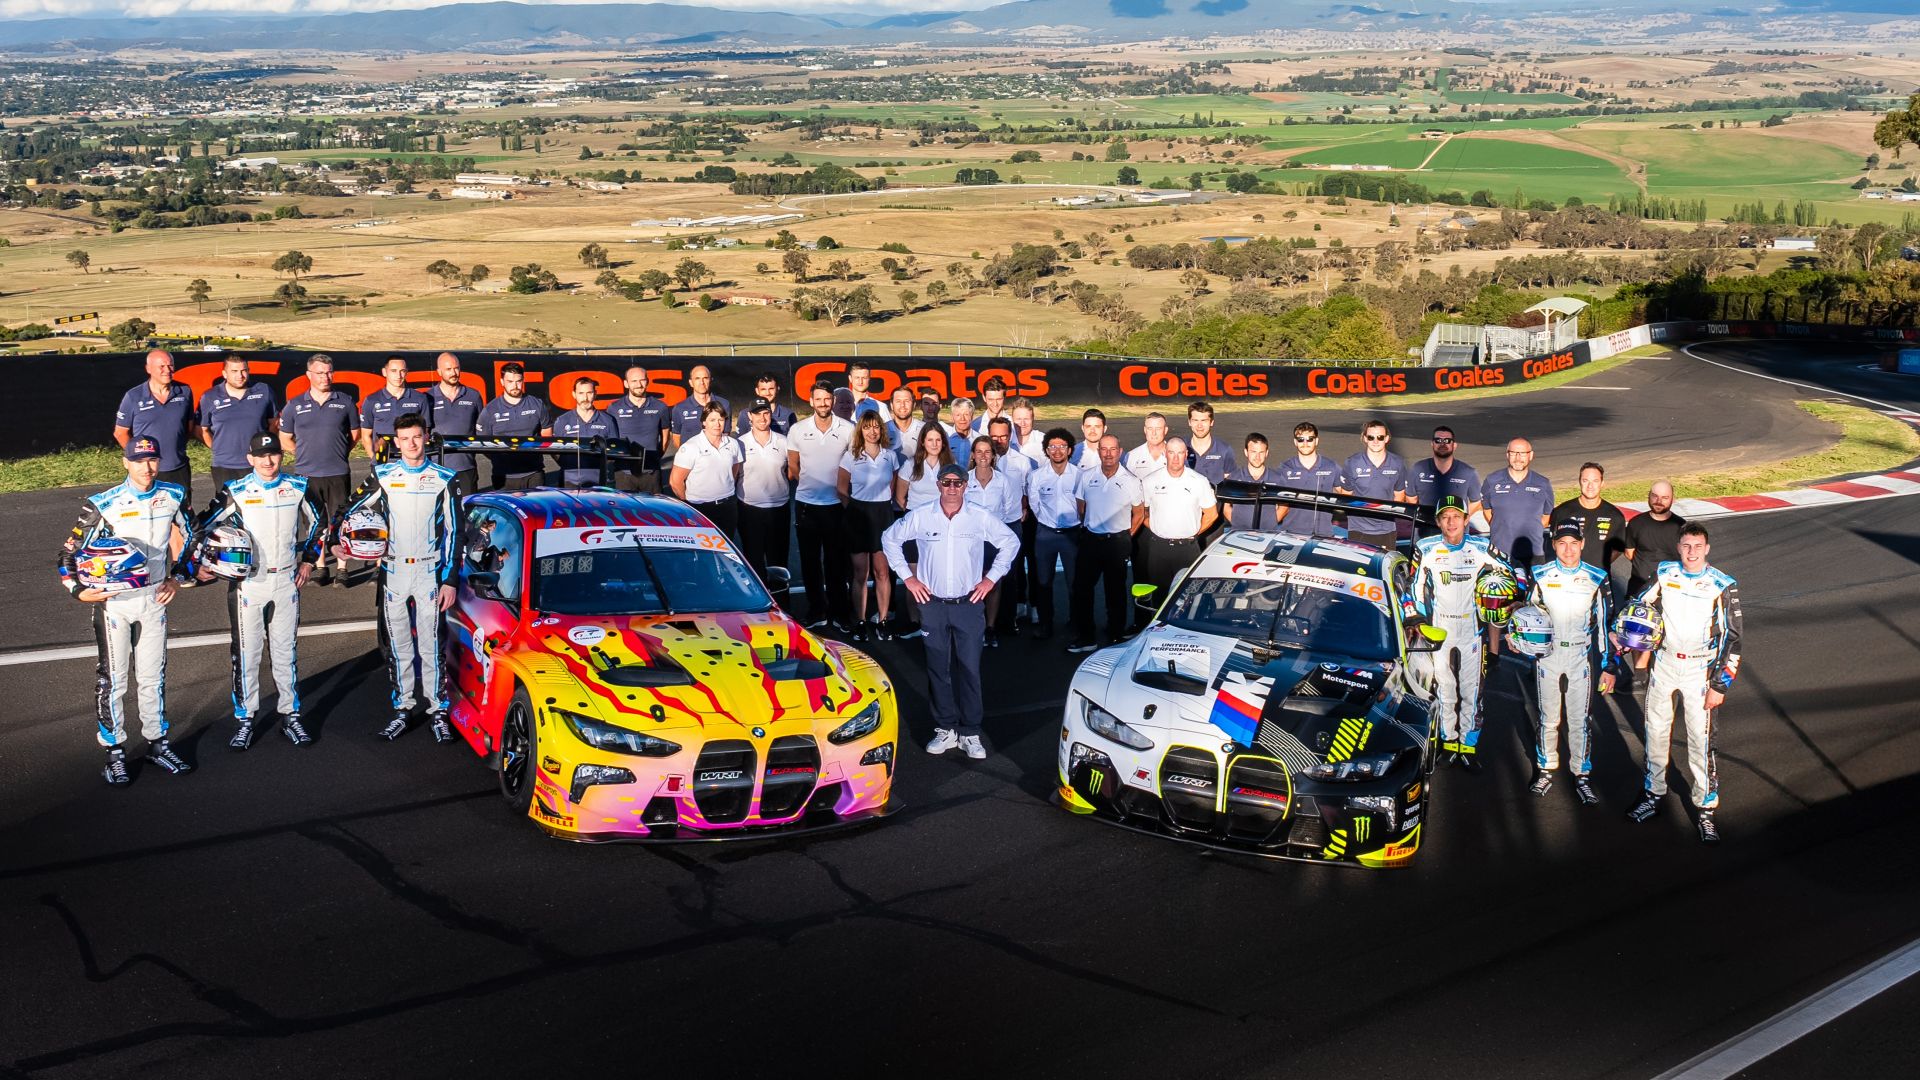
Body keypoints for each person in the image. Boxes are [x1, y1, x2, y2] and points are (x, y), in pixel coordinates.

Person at [57, 435, 193, 785]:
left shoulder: (173, 495)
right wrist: (78, 590)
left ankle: (158, 744)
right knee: (114, 679)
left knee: (152, 677)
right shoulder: (104, 502)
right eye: (138, 461)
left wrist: (177, 577)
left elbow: (193, 539)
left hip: (155, 600)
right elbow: (67, 554)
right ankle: (114, 751)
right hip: (114, 603)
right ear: (125, 463)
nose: (146, 468)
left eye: (152, 460)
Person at [336, 413, 461, 743]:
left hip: (429, 572)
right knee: (401, 647)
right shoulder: (384, 474)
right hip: (393, 571)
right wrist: (341, 541)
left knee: (432, 646)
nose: (411, 444)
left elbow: (456, 533)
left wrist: (450, 580)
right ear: (396, 441)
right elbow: (349, 508)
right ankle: (403, 709)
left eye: (417, 437)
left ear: (427, 436)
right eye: (404, 438)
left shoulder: (445, 478)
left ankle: (438, 711)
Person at [881, 463, 1018, 762]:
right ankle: (945, 728)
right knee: (937, 667)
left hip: (968, 605)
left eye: (958, 483)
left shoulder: (979, 517)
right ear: (938, 484)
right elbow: (889, 539)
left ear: (966, 486)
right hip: (932, 604)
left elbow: (1011, 542)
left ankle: (969, 731)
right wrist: (909, 577)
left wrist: (991, 578)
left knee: (969, 668)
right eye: (946, 483)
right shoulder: (920, 515)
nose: (952, 488)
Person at [197, 432, 323, 750]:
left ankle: (290, 716)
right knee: (247, 655)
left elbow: (321, 522)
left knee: (285, 653)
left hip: (286, 581)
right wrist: (205, 560)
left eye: (274, 455)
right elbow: (201, 525)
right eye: (261, 456)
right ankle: (245, 720)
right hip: (247, 584)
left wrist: (308, 560)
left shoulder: (298, 486)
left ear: (282, 456)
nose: (268, 461)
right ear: (250, 459)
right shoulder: (236, 490)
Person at [1624, 523, 1742, 844]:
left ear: (1707, 549)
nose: (1691, 552)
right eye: (1686, 545)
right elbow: (1639, 604)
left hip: (1699, 672)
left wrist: (1720, 684)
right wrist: (1625, 632)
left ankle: (1705, 808)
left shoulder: (1722, 585)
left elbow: (1733, 639)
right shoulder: (1665, 573)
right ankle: (1653, 792)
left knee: (1700, 741)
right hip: (1663, 664)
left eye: (1697, 546)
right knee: (1656, 731)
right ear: (1679, 547)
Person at [1411, 494, 1510, 772]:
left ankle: (1468, 745)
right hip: (1439, 630)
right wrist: (1418, 619)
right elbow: (1414, 587)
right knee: (1444, 688)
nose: (1451, 522)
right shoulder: (1426, 547)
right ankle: (1448, 740)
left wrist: (1506, 600)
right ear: (1438, 522)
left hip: (1472, 629)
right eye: (1446, 517)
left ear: (1467, 520)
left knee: (1472, 691)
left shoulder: (1482, 546)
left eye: (1457, 516)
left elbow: (1512, 575)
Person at [1525, 522, 1618, 805]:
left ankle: (1582, 774)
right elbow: (1527, 615)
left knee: (1579, 720)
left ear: (1582, 544)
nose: (1568, 549)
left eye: (1573, 543)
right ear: (1553, 545)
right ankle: (1546, 768)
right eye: (1562, 543)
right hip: (1548, 656)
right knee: (1548, 718)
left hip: (1580, 657)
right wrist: (1519, 639)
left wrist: (1610, 666)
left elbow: (1605, 625)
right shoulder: (1539, 574)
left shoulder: (1597, 577)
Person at [280, 353, 361, 586]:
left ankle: (343, 568)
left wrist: (339, 452)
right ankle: (321, 565)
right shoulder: (295, 405)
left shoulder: (344, 401)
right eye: (320, 372)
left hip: (337, 471)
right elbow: (285, 438)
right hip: (307, 473)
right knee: (315, 521)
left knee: (341, 519)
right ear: (309, 375)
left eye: (328, 372)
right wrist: (303, 454)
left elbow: (354, 435)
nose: (325, 377)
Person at [789, 381, 856, 630]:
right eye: (819, 399)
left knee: (836, 562)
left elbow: (853, 464)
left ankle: (840, 612)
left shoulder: (848, 429)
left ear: (833, 401)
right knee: (810, 562)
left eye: (827, 399)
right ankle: (817, 610)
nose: (823, 403)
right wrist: (810, 486)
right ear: (811, 401)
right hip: (806, 505)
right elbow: (794, 466)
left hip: (836, 506)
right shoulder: (797, 429)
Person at [1068, 434, 1144, 653]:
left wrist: (1125, 535)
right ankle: (1086, 637)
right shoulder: (1087, 476)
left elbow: (1139, 513)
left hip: (1117, 542)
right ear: (1099, 451)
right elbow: (1080, 507)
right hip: (1091, 540)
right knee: (1082, 589)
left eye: (1113, 449)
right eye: (1104, 449)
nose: (1108, 453)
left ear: (1120, 451)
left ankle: (1115, 635)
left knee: (1116, 592)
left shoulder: (1131, 480)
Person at [1137, 438, 1217, 620]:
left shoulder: (1199, 481)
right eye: (1171, 452)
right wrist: (1157, 527)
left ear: (1185, 455)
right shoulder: (1150, 481)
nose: (1175, 458)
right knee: (1159, 598)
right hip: (1159, 549)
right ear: (1165, 454)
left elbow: (1211, 514)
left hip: (1188, 548)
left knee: (1190, 598)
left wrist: (1194, 533)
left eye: (1180, 453)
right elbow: (1142, 513)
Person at [838, 412, 898, 641]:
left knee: (882, 572)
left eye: (876, 427)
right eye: (867, 428)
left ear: (881, 430)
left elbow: (891, 488)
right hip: (858, 517)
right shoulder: (850, 457)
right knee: (860, 574)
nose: (872, 432)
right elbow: (841, 489)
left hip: (883, 515)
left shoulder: (890, 456)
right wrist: (854, 511)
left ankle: (882, 621)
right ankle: (860, 621)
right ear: (860, 431)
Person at [891, 421, 953, 640]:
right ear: (923, 443)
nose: (934, 444)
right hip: (916, 531)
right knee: (915, 578)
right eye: (930, 440)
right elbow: (900, 497)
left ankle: (941, 621)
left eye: (938, 440)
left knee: (941, 575)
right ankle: (915, 621)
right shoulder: (910, 465)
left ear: (943, 442)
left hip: (943, 530)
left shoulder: (950, 466)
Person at [114, 348, 198, 506]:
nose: (168, 370)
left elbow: (188, 427)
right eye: (162, 366)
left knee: (182, 515)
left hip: (178, 467)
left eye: (170, 365)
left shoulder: (185, 392)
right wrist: (139, 457)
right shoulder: (133, 396)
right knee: (148, 513)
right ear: (148, 369)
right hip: (147, 471)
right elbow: (120, 433)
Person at [963, 435, 1023, 647]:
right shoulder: (964, 480)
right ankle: (973, 626)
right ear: (972, 455)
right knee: (972, 583)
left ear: (993, 455)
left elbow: (1009, 512)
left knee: (993, 583)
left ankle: (990, 627)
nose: (983, 456)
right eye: (979, 451)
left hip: (994, 541)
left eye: (987, 451)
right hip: (970, 540)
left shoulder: (1004, 481)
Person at [1025, 428, 1081, 640]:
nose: (1057, 451)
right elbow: (1034, 504)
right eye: (1052, 447)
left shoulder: (1079, 475)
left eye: (1062, 447)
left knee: (1074, 582)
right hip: (1045, 534)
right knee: (1043, 582)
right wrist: (1046, 524)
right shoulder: (1037, 476)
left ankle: (1076, 622)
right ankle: (1046, 624)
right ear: (1046, 450)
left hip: (1072, 535)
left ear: (1070, 450)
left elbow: (1083, 506)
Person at [199, 355, 279, 491]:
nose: (240, 376)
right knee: (228, 508)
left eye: (244, 370)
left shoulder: (263, 390)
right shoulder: (210, 396)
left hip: (258, 463)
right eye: (234, 371)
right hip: (224, 465)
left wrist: (264, 449)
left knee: (259, 508)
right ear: (224, 374)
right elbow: (202, 430)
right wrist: (217, 448)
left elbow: (274, 423)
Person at [986, 416, 1034, 634]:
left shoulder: (1022, 462)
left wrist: (1023, 509)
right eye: (994, 436)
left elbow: (1027, 492)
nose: (998, 440)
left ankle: (1009, 618)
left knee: (1011, 573)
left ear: (1010, 436)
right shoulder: (981, 460)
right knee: (985, 573)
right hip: (986, 527)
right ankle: (987, 621)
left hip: (1012, 525)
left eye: (1003, 436)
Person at [736, 398, 792, 584]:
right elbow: (733, 476)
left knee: (779, 564)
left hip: (779, 509)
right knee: (753, 563)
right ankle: (759, 610)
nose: (762, 417)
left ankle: (782, 607)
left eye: (766, 413)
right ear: (749, 416)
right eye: (757, 413)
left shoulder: (784, 442)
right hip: (749, 510)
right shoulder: (740, 444)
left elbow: (791, 472)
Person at [671, 401, 744, 539]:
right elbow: (675, 482)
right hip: (699, 508)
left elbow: (734, 472)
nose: (717, 424)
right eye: (712, 420)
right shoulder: (691, 447)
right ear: (704, 422)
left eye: (721, 420)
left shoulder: (733, 444)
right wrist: (689, 503)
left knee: (726, 550)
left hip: (727, 507)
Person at [476, 362, 552, 490]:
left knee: (535, 510)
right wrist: (500, 458)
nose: (515, 386)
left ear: (523, 380)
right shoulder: (490, 410)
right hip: (504, 476)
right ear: (502, 381)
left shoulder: (537, 404)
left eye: (518, 381)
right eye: (510, 381)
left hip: (534, 474)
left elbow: (547, 433)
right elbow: (483, 443)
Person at [1484, 438, 1555, 571]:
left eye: (1522, 453)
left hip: (1533, 555)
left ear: (1531, 455)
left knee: (1532, 592)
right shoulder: (1492, 480)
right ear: (1507, 454)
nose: (1518, 458)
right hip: (1498, 555)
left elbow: (1546, 517)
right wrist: (1501, 527)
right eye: (1513, 453)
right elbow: (1487, 510)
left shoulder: (1543, 483)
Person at [1550, 462, 1627, 579]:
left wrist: (1599, 564)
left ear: (1602, 483)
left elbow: (1618, 549)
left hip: (1599, 579)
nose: (1590, 486)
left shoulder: (1615, 516)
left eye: (1595, 481)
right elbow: (1554, 543)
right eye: (1585, 481)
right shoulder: (1562, 512)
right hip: (1565, 578)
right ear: (1580, 482)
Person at [1340, 419, 1409, 549]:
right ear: (1365, 438)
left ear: (1387, 438)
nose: (1376, 441)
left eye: (1380, 437)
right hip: (1358, 530)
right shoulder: (1352, 463)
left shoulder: (1398, 463)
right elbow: (1346, 497)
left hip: (1386, 530)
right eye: (1371, 437)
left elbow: (1399, 496)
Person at [1408, 426, 1483, 536]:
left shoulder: (1468, 472)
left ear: (1454, 445)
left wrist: (1457, 517)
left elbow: (1476, 501)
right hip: (1425, 535)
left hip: (1456, 536)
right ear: (1432, 444)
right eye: (1438, 440)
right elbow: (1411, 498)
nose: (1442, 444)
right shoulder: (1418, 469)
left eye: (1447, 441)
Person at [428, 352, 484, 497]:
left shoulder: (473, 395)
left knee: (468, 514)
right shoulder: (427, 398)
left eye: (456, 368)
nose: (454, 373)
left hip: (466, 467)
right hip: (436, 468)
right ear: (439, 372)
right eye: (448, 369)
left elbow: (481, 429)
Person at [608, 365, 671, 493]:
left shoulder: (660, 407)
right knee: (625, 511)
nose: (639, 384)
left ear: (647, 382)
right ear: (626, 384)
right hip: (623, 473)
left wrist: (655, 457)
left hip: (651, 472)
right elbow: (610, 438)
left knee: (653, 511)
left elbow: (665, 435)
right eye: (634, 381)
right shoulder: (613, 408)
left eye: (642, 380)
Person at [1276, 422, 1347, 538]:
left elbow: (1346, 495)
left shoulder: (1331, 466)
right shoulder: (1285, 468)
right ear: (1295, 442)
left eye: (1310, 439)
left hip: (1323, 535)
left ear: (1316, 441)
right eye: (1301, 439)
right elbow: (1277, 504)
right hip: (1290, 535)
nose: (1305, 443)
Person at [358, 356, 432, 463]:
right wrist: (375, 460)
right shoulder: (371, 400)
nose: (398, 375)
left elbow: (425, 431)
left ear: (406, 373)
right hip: (383, 464)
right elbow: (366, 436)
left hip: (412, 464)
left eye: (402, 371)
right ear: (384, 372)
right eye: (393, 371)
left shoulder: (420, 398)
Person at [1623, 480, 1686, 600]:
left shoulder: (1681, 526)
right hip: (1639, 589)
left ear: (1673, 499)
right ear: (1649, 496)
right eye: (1655, 496)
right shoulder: (1635, 523)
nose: (1659, 501)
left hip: (1671, 590)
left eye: (1665, 497)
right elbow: (1629, 553)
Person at [552, 376, 618, 486]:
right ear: (574, 394)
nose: (585, 398)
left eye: (589, 393)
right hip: (569, 481)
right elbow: (555, 452)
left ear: (595, 394)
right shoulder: (562, 421)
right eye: (581, 393)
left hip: (599, 481)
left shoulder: (608, 420)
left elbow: (614, 452)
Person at [1222, 432, 1283, 531]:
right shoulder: (1233, 478)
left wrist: (1270, 524)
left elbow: (1284, 507)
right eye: (1253, 452)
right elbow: (1225, 507)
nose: (1257, 457)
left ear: (1266, 453)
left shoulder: (1277, 478)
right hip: (1239, 535)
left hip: (1268, 534)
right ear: (1246, 452)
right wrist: (1238, 525)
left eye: (1261, 452)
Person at [670, 364, 729, 451]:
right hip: (691, 462)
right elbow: (676, 437)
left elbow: (726, 434)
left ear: (711, 380)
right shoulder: (679, 408)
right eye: (697, 378)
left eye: (705, 378)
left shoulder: (724, 404)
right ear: (691, 382)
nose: (702, 382)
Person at [1184, 401, 1236, 485]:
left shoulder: (1224, 450)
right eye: (1195, 420)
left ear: (1211, 422)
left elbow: (1230, 484)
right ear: (1189, 422)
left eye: (1204, 420)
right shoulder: (1179, 448)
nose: (1199, 425)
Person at [734, 372, 796, 436]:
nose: (767, 393)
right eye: (763, 389)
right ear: (757, 391)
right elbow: (739, 441)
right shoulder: (744, 414)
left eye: (771, 389)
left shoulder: (788, 414)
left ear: (777, 389)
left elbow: (794, 441)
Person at [1125, 412, 1171, 479]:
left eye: (1158, 429)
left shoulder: (1177, 456)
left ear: (1165, 430)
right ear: (1145, 430)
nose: (1154, 433)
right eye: (1150, 428)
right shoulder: (1132, 456)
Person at [884, 386, 923, 451]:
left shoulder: (925, 429)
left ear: (914, 405)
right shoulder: (882, 430)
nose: (902, 405)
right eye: (898, 401)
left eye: (907, 401)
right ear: (891, 405)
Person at [1009, 398, 1046, 463]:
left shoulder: (1043, 440)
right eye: (1019, 419)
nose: (1022, 423)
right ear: (1012, 419)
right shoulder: (1005, 441)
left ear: (1033, 419)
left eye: (1026, 419)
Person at [945, 397, 978, 462]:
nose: (962, 419)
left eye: (966, 414)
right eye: (958, 415)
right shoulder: (944, 438)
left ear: (972, 416)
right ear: (952, 417)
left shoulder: (979, 439)